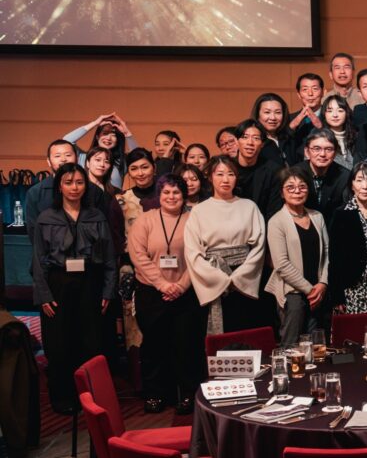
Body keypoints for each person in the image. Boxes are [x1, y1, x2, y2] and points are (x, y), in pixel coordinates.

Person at [30, 163, 116, 414]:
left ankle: (90, 396)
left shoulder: (96, 216)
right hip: (57, 284)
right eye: (68, 182)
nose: (74, 188)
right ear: (59, 186)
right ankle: (62, 397)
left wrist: (107, 291)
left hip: (91, 282)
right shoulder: (46, 218)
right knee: (59, 343)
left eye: (79, 182)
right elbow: (37, 260)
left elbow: (110, 258)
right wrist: (43, 295)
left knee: (91, 342)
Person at [126, 174, 202, 414]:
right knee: (154, 345)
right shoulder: (145, 220)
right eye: (166, 192)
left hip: (185, 293)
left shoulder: (194, 220)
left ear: (184, 195)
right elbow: (138, 256)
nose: (171, 197)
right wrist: (162, 284)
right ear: (159, 195)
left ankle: (187, 394)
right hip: (151, 293)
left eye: (176, 192)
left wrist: (181, 285)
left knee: (186, 345)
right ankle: (155, 394)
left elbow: (199, 256)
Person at [186, 156, 270, 335]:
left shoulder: (249, 207)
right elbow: (192, 251)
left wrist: (238, 277)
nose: (225, 179)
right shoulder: (199, 211)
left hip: (244, 277)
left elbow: (259, 247)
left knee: (246, 333)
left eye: (230, 174)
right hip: (213, 277)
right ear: (210, 177)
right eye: (220, 174)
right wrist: (219, 278)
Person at [265, 167, 331, 345]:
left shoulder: (317, 217)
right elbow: (281, 264)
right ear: (282, 192)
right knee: (291, 345)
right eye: (290, 187)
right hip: (293, 293)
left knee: (317, 345)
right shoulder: (276, 221)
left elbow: (326, 253)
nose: (297, 191)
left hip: (318, 290)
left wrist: (323, 283)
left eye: (302, 187)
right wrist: (310, 290)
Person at [329, 164, 367, 315]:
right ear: (352, 184)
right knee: (355, 328)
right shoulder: (342, 214)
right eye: (359, 180)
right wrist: (337, 296)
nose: (365, 186)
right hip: (353, 286)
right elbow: (335, 259)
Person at [320, 94, 367, 170]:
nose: (335, 115)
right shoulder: (319, 138)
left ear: (346, 113)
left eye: (340, 110)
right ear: (324, 114)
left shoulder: (357, 136)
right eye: (330, 111)